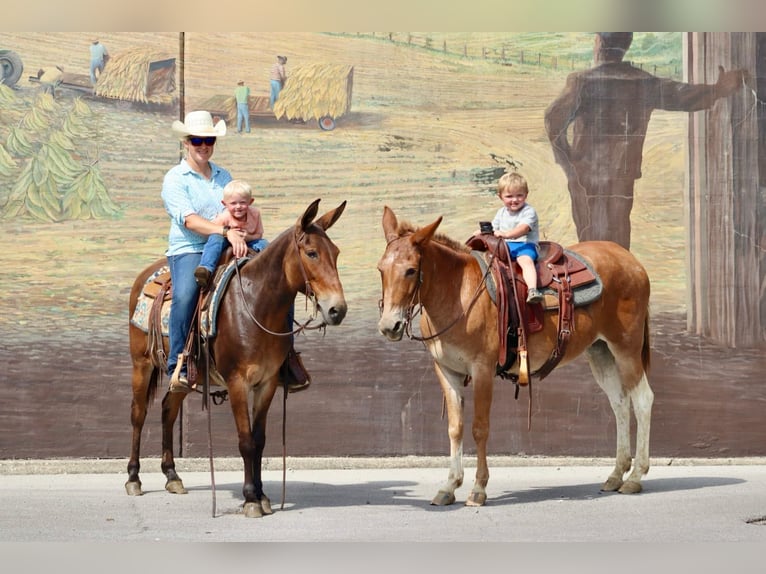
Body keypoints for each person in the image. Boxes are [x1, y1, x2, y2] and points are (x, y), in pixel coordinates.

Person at [544, 32, 748, 250]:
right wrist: (718, 89)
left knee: (590, 239)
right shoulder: (643, 82)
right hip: (622, 172)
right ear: (625, 45)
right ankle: (618, 281)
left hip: (586, 174)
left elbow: (553, 119)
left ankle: (601, 281)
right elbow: (682, 96)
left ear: (599, 44)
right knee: (618, 237)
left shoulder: (582, 82)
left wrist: (568, 162)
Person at [161, 110, 308, 394]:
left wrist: (240, 234)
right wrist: (225, 233)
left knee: (279, 283)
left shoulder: (222, 175)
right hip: (190, 248)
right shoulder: (176, 179)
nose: (204, 146)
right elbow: (189, 220)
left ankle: (285, 355)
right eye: (197, 140)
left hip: (231, 242)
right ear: (185, 143)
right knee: (185, 294)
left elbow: (235, 212)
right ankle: (178, 363)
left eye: (209, 140)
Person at [476, 171, 543, 304]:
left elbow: (523, 228)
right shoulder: (501, 212)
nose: (514, 200)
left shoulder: (529, 211)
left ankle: (532, 289)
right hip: (505, 247)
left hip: (525, 245)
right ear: (500, 196)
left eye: (519, 195)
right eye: (509, 196)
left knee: (525, 261)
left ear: (526, 195)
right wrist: (481, 233)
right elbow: (493, 229)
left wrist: (506, 234)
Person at [193, 179, 268, 288]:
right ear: (225, 204)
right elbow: (213, 230)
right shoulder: (224, 217)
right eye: (233, 203)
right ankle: (206, 269)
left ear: (250, 202)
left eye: (243, 202)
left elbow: (259, 234)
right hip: (226, 241)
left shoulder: (255, 214)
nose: (238, 206)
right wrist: (227, 234)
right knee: (215, 239)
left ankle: (273, 268)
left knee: (264, 244)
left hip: (249, 241)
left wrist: (247, 237)